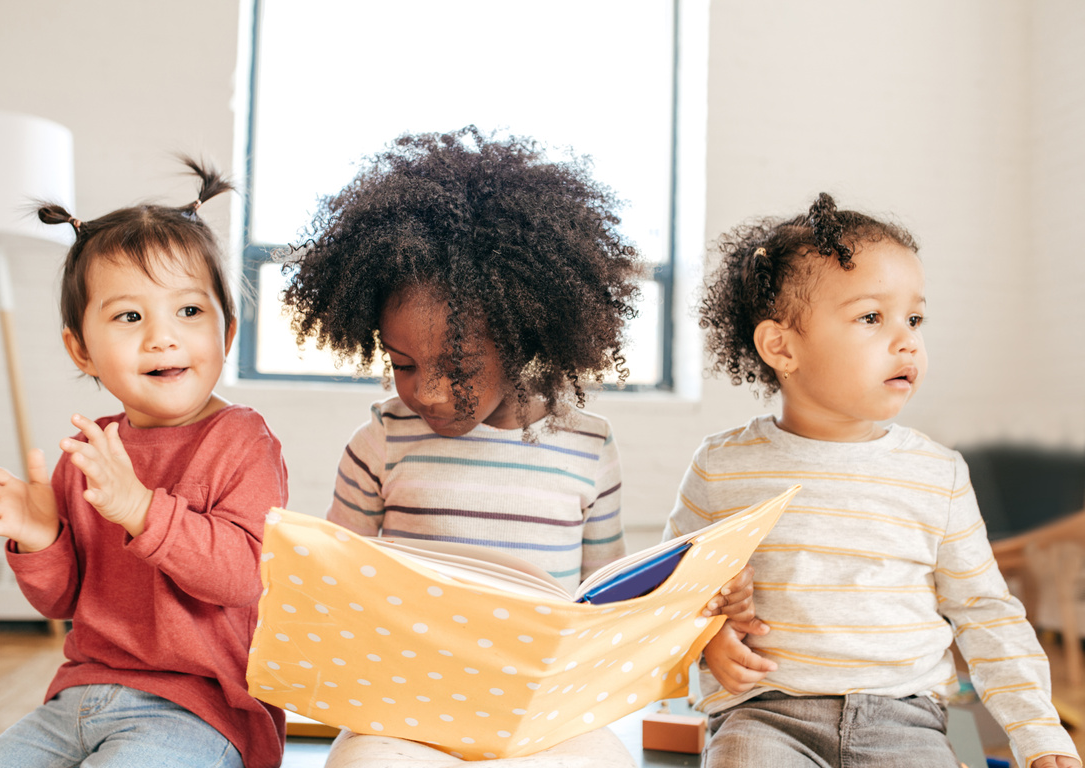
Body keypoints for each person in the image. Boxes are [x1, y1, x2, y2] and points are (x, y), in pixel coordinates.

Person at [280, 127, 754, 767]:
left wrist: (685, 605)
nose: (431, 392)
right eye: (403, 364)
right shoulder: (381, 443)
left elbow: (601, 599)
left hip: (544, 716)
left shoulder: (589, 448)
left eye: (459, 364)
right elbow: (338, 591)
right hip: (406, 714)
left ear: (526, 337)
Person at [663, 193, 1081, 768]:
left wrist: (1040, 736)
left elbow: (986, 613)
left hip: (906, 720)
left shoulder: (939, 474)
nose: (908, 340)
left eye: (914, 318)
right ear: (781, 347)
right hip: (763, 717)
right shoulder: (721, 467)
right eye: (871, 317)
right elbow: (667, 595)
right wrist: (709, 640)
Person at [0, 158, 288, 768]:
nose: (162, 337)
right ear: (80, 348)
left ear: (227, 333)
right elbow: (64, 601)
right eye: (130, 316)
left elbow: (241, 576)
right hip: (75, 699)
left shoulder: (244, 441)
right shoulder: (90, 453)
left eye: (189, 312)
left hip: (196, 709)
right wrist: (40, 539)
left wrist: (139, 509)